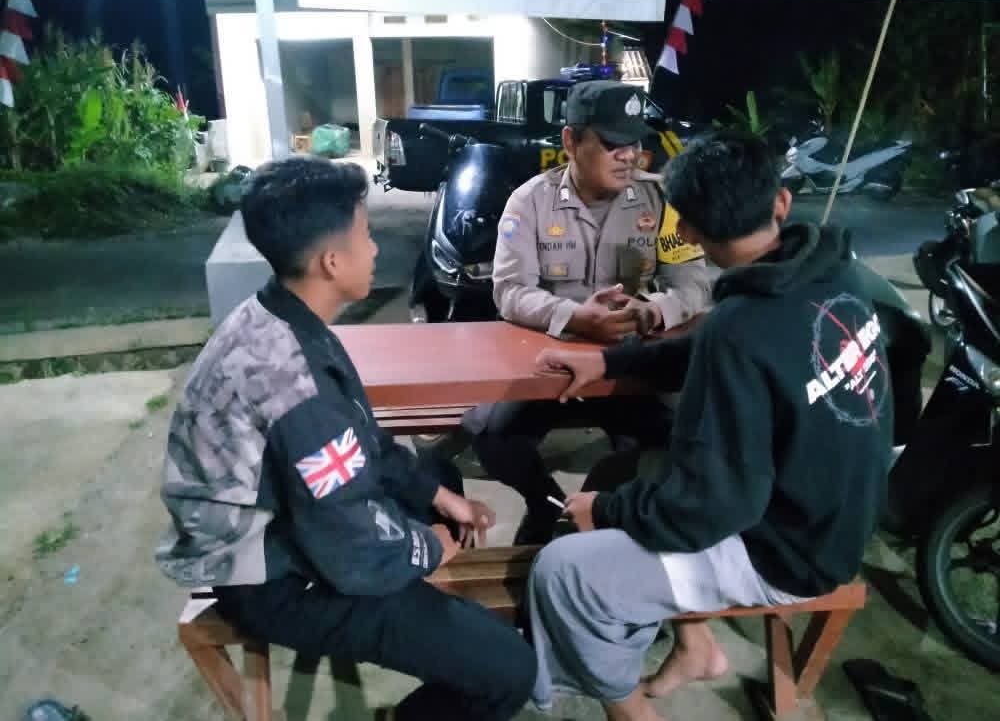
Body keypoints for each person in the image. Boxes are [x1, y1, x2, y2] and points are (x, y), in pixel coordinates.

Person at [525, 131, 894, 721]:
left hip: (788, 553)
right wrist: (610, 363)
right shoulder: (832, 272)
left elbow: (716, 507)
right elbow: (714, 344)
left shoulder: (739, 327)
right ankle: (696, 649)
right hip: (840, 519)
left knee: (565, 571)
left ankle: (631, 715)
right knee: (640, 467)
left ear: (691, 232)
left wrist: (608, 511)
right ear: (781, 201)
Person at [154, 157, 535, 721]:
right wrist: (429, 546)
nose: (375, 249)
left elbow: (360, 440)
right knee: (508, 671)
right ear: (331, 262)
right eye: (366, 235)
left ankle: (436, 611)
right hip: (269, 577)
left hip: (287, 523)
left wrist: (433, 498)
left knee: (438, 478)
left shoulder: (279, 313)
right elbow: (350, 547)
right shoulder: (296, 385)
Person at [461, 80, 714, 545]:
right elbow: (510, 291)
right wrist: (575, 317)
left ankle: (597, 508)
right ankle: (547, 506)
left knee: (676, 435)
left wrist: (655, 311)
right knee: (493, 436)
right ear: (571, 141)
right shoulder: (529, 202)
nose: (628, 156)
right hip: (548, 360)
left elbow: (694, 283)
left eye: (634, 143)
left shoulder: (661, 201)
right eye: (613, 143)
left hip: (628, 359)